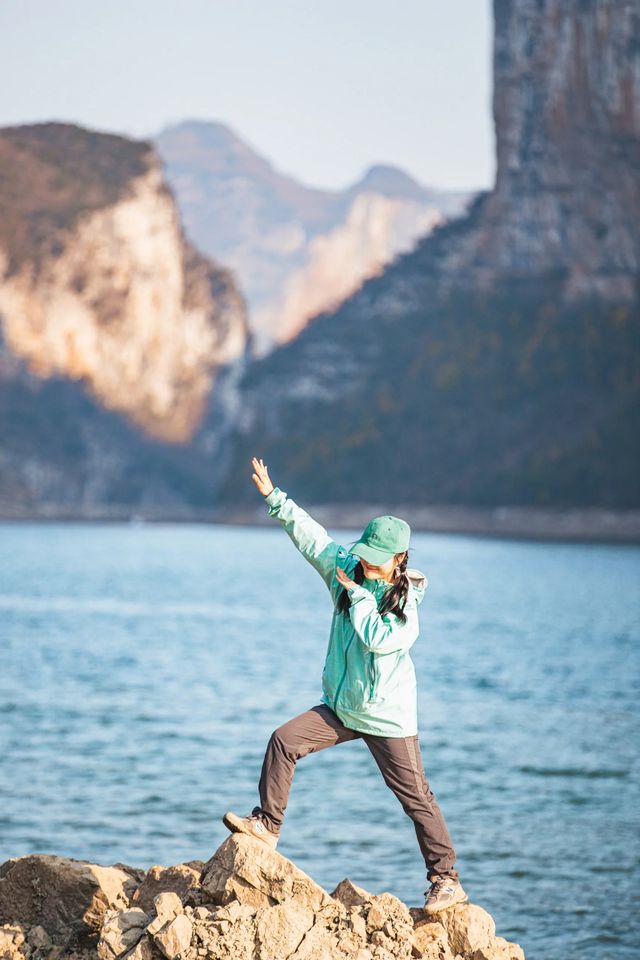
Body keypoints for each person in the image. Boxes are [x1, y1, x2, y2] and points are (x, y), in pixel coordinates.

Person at [223, 456, 468, 914]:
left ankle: (447, 880)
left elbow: (379, 639)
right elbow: (313, 538)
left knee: (417, 799)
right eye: (365, 555)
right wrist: (276, 500)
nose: (366, 566)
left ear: (399, 560)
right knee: (283, 741)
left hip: (387, 717)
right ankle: (267, 826)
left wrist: (356, 596)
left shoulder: (405, 604)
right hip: (342, 706)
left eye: (376, 561)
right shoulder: (347, 569)